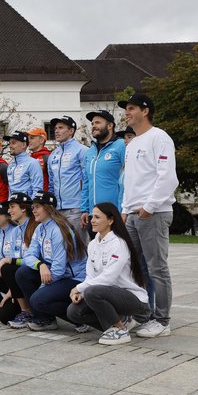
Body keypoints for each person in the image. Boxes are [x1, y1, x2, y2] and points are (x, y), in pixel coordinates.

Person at [119, 93, 178, 338]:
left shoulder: (159, 137)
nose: (127, 112)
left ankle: (162, 320)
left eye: (131, 108)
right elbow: (130, 181)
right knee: (134, 268)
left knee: (157, 268)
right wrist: (124, 210)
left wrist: (150, 206)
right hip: (132, 214)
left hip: (153, 213)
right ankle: (142, 315)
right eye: (126, 109)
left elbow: (167, 177)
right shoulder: (132, 144)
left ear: (145, 111)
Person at [67, 203, 151, 345]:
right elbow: (91, 276)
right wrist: (81, 293)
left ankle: (119, 329)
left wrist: (79, 288)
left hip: (132, 298)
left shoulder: (119, 243)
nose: (92, 220)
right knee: (73, 312)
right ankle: (118, 322)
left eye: (97, 217)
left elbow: (108, 278)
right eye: (92, 216)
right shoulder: (93, 244)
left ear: (111, 220)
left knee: (92, 292)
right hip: (106, 293)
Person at [14, 191, 87, 331]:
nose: (33, 210)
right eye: (32, 207)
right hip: (55, 274)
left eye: (37, 207)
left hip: (74, 278)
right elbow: (29, 256)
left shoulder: (59, 230)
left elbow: (58, 270)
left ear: (48, 208)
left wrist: (41, 289)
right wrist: (40, 265)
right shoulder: (41, 227)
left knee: (37, 299)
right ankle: (45, 319)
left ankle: (80, 318)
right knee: (23, 273)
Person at [80, 110, 125, 237]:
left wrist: (123, 210)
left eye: (98, 122)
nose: (94, 125)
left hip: (114, 214)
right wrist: (84, 209)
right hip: (93, 215)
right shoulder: (91, 151)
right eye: (92, 123)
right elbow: (87, 181)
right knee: (96, 254)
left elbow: (128, 178)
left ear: (110, 126)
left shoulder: (121, 145)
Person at [0, 193, 40, 327]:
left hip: (36, 272)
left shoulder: (35, 226)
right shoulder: (15, 231)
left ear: (23, 208)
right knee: (3, 316)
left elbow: (35, 258)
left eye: (12, 207)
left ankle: (27, 311)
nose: (9, 211)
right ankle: (24, 309)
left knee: (11, 267)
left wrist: (10, 261)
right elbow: (12, 258)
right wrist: (10, 291)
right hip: (19, 278)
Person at [48, 115, 89, 242]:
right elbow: (51, 183)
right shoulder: (53, 155)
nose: (56, 131)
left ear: (71, 131)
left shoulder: (82, 150)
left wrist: (85, 208)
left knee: (79, 247)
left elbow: (87, 180)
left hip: (76, 209)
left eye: (61, 127)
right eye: (55, 128)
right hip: (58, 210)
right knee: (64, 247)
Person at [4, 131, 43, 198]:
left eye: (13, 143)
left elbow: (37, 189)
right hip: (13, 205)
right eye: (9, 143)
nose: (10, 146)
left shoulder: (33, 163)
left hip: (26, 205)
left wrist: (32, 206)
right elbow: (10, 189)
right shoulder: (10, 164)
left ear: (24, 145)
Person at [27, 127, 50, 191]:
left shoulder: (48, 157)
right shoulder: (29, 158)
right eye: (28, 138)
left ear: (41, 140)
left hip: (43, 198)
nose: (28, 141)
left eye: (32, 138)